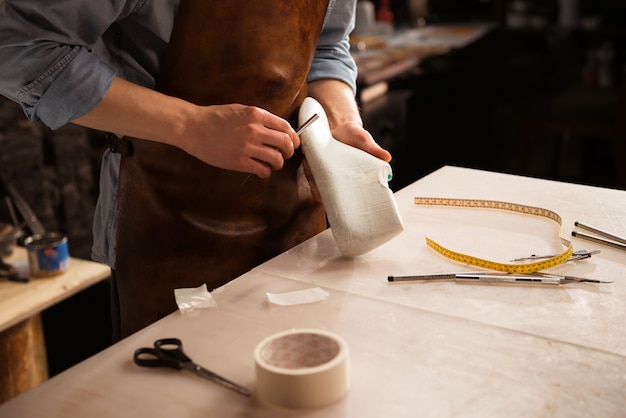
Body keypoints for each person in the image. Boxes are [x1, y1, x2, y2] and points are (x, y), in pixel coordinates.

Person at [0, 0, 392, 338]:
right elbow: (19, 48)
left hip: (296, 219)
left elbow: (326, 45)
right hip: (166, 226)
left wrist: (341, 125)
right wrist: (190, 125)